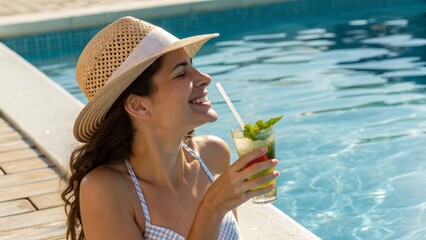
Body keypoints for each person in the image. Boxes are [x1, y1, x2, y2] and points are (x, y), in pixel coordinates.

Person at [61, 16, 280, 240]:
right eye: (181, 73)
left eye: (193, 66)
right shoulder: (106, 190)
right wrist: (212, 207)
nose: (205, 78)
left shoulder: (213, 154)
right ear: (138, 105)